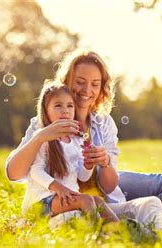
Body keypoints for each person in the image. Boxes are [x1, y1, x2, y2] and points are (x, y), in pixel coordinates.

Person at [6, 49, 162, 230]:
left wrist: (104, 162)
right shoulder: (44, 123)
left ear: (102, 88)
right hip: (63, 209)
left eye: (95, 84)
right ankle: (117, 234)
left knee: (151, 204)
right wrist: (39, 137)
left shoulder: (103, 124)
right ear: (67, 81)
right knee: (80, 219)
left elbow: (108, 187)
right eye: (80, 82)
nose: (87, 90)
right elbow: (13, 174)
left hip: (102, 205)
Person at [23, 83, 119, 222]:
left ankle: (120, 231)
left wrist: (88, 165)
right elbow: (35, 171)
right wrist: (59, 188)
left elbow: (83, 177)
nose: (65, 111)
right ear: (45, 110)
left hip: (65, 198)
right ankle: (97, 235)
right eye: (58, 106)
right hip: (41, 202)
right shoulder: (43, 137)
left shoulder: (76, 141)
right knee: (86, 200)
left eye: (70, 106)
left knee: (98, 201)